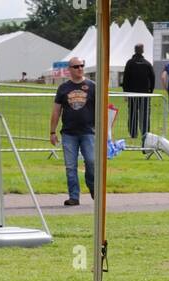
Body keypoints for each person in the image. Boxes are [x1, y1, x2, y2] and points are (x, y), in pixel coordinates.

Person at [50, 56, 95, 207]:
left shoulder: (92, 86)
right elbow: (56, 111)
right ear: (69, 69)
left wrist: (105, 130)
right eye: (75, 66)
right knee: (70, 166)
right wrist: (52, 131)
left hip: (88, 131)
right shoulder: (63, 88)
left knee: (91, 161)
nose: (79, 68)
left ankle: (93, 186)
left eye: (82, 65)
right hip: (69, 133)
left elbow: (102, 108)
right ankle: (74, 197)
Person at [122, 43, 155, 146]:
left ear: (135, 50)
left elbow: (125, 79)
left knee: (132, 113)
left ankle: (133, 132)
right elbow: (152, 78)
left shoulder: (130, 63)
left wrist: (126, 91)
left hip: (132, 93)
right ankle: (145, 132)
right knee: (145, 114)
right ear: (142, 51)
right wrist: (150, 91)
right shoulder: (147, 64)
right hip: (145, 93)